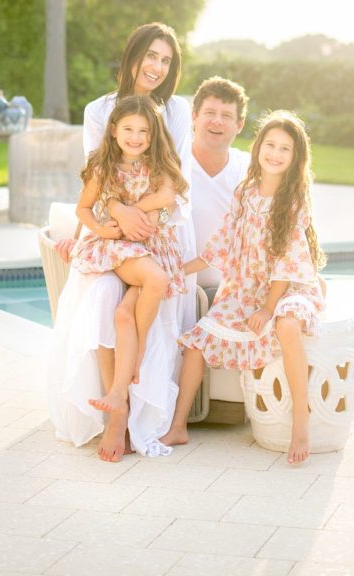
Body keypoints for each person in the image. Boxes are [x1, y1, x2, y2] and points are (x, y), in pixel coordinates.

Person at [48, 22, 194, 462]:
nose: (156, 67)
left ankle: (129, 408)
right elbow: (100, 177)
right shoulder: (100, 111)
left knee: (132, 310)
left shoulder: (176, 111)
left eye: (166, 60)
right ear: (132, 56)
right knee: (104, 303)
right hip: (114, 242)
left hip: (158, 233)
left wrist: (144, 216)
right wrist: (113, 220)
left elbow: (176, 187)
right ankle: (116, 414)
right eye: (151, 55)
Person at [161, 110, 326, 465]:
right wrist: (178, 270)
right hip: (247, 289)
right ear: (258, 148)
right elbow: (223, 242)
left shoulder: (294, 200)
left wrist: (268, 307)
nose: (276, 154)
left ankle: (301, 420)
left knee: (285, 323)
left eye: (285, 149)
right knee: (197, 340)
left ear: (296, 157)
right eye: (270, 145)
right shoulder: (246, 192)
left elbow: (286, 259)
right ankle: (178, 425)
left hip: (289, 288)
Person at [73, 95, 188, 407]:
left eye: (143, 131)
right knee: (156, 280)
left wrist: (131, 210)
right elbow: (83, 208)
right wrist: (101, 229)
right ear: (113, 130)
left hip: (155, 244)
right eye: (128, 129)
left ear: (153, 135)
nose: (135, 138)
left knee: (125, 316)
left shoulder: (157, 164)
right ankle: (135, 357)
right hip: (122, 245)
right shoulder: (103, 167)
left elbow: (168, 194)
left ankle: (117, 392)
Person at [190, 76, 250, 296]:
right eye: (209, 113)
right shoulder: (172, 164)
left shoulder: (250, 169)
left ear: (239, 125)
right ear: (194, 116)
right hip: (181, 286)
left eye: (226, 116)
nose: (217, 121)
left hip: (232, 290)